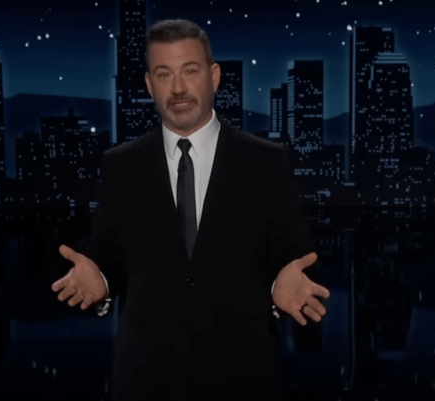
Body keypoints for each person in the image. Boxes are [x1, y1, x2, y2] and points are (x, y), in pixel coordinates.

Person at [51, 19, 330, 401]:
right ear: (149, 84)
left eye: (190, 71)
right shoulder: (121, 164)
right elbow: (110, 252)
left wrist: (279, 284)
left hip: (243, 378)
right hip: (145, 379)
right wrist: (99, 278)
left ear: (214, 77)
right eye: (164, 74)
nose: (178, 88)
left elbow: (292, 256)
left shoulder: (265, 161)